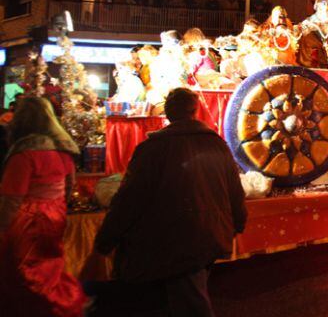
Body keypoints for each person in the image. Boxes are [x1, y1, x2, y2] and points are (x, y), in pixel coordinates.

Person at [94, 88, 247, 316]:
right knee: (188, 294)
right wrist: (238, 223)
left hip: (175, 238)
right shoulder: (218, 145)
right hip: (208, 233)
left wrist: (106, 238)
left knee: (190, 301)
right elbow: (235, 192)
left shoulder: (152, 149)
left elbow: (129, 199)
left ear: (167, 113)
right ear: (195, 111)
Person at [0, 97, 85, 317]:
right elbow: (69, 187)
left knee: (24, 272)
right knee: (50, 269)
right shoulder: (63, 150)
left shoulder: (24, 154)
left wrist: (3, 227)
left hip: (28, 220)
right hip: (56, 214)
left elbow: (12, 198)